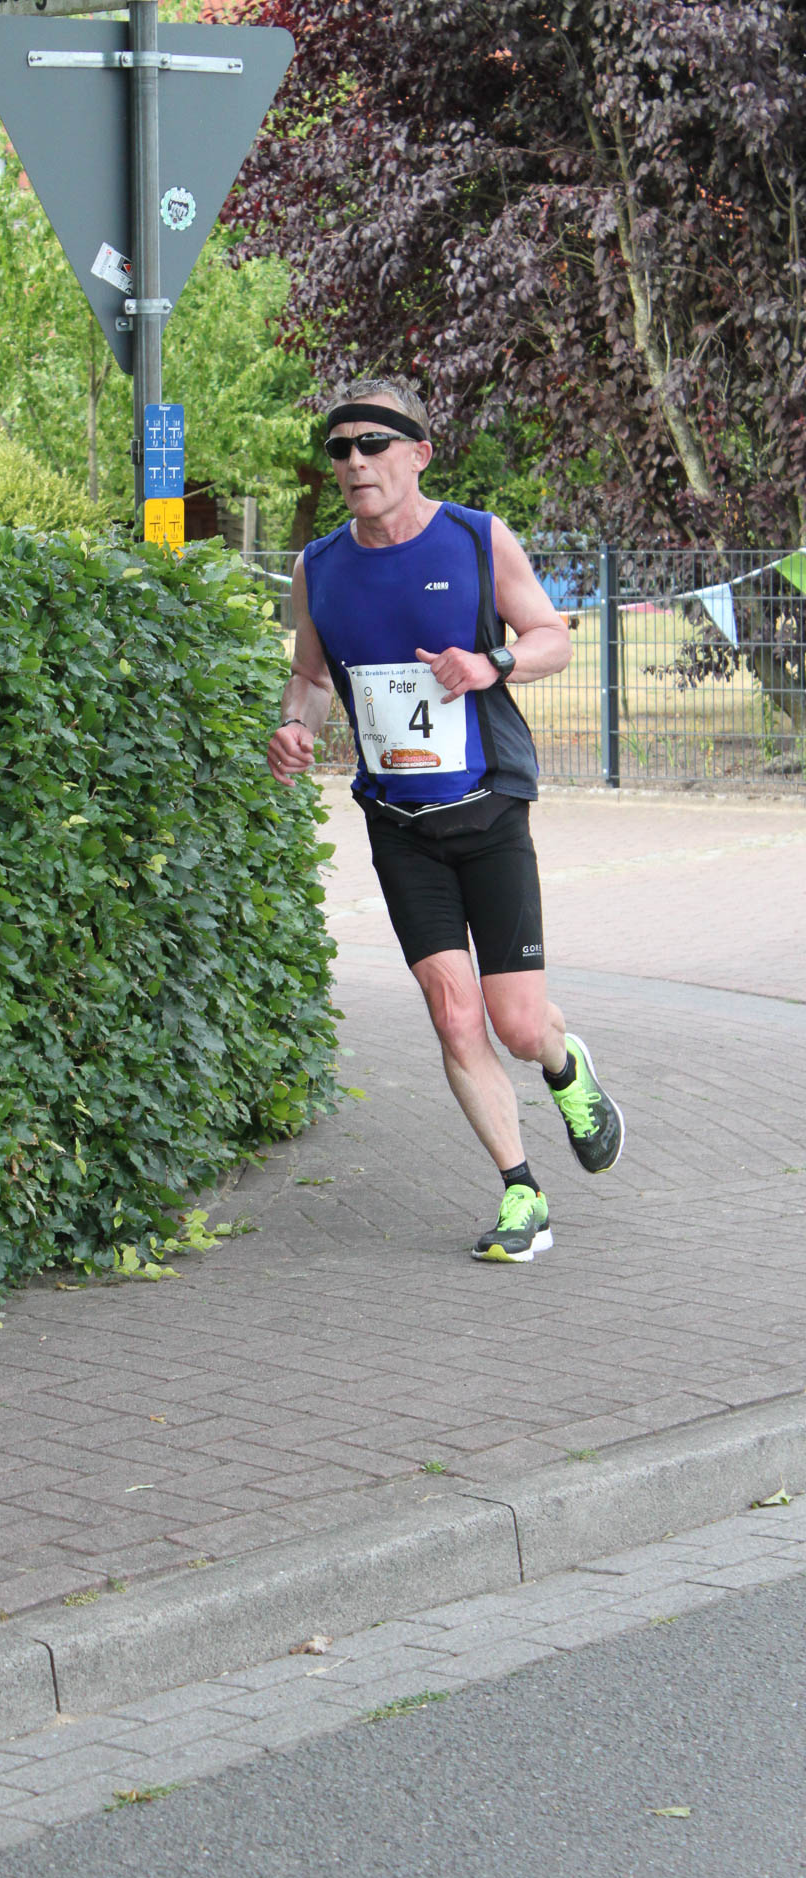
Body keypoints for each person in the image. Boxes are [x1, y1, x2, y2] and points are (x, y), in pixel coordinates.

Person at [269, 376, 623, 1261]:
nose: (355, 462)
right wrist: (294, 726)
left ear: (419, 454)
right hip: (398, 821)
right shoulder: (319, 565)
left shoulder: (474, 537)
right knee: (452, 1013)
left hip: (489, 807)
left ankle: (565, 1064)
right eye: (340, 449)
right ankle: (522, 1191)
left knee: (516, 1023)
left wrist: (490, 662)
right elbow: (311, 677)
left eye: (373, 444)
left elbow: (553, 636)